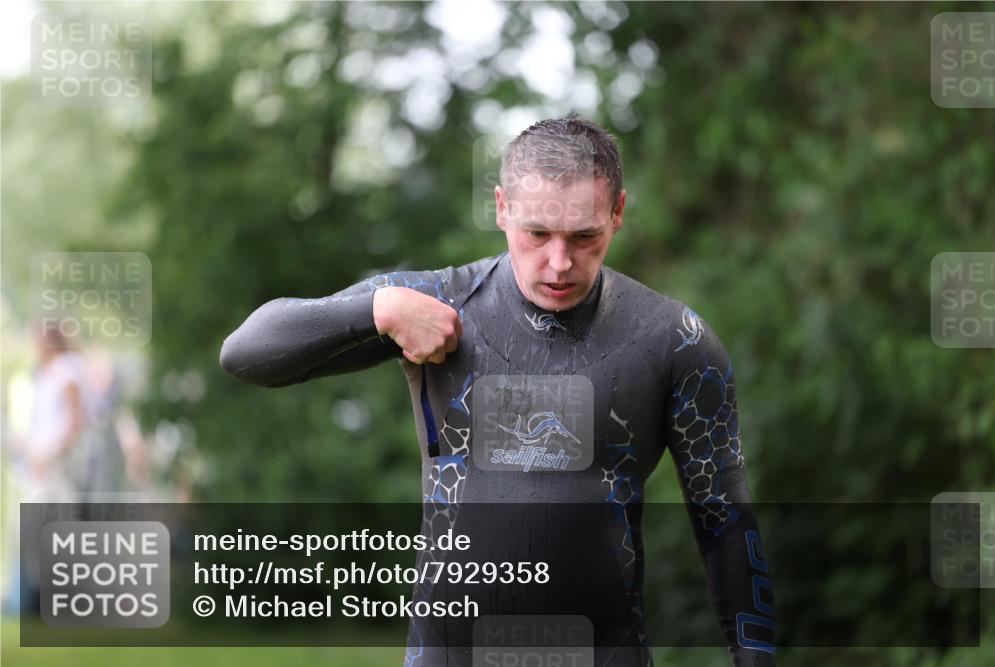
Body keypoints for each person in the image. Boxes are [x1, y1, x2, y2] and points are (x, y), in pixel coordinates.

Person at [220, 118, 776, 667]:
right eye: (537, 233)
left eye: (584, 236)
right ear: (502, 209)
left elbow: (726, 523)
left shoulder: (673, 340)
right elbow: (246, 354)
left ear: (618, 213)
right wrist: (378, 309)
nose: (559, 263)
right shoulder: (437, 304)